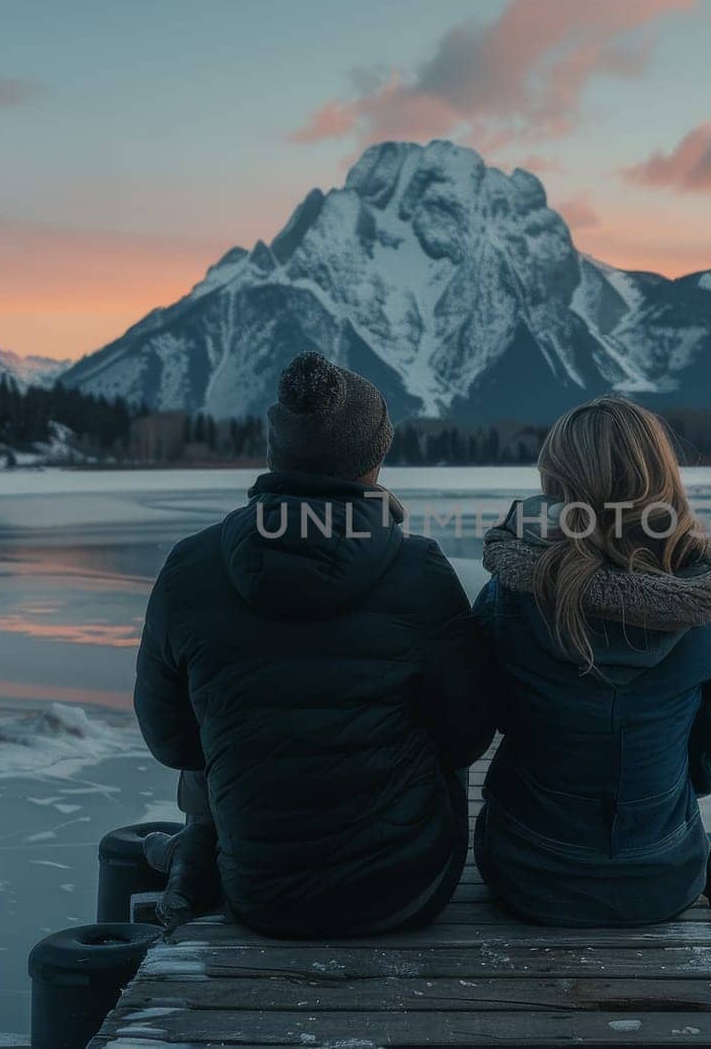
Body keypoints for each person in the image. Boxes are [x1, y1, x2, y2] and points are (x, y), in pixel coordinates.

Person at [472, 395, 711, 951]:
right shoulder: (694, 612)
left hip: (530, 878)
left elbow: (468, 726)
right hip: (663, 882)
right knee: (691, 833)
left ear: (557, 490)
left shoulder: (510, 597)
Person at [133, 351, 495, 937]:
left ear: (276, 451)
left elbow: (170, 739)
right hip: (406, 891)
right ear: (373, 457)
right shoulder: (418, 569)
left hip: (259, 897)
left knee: (213, 719)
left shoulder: (190, 566)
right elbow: (469, 735)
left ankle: (198, 855)